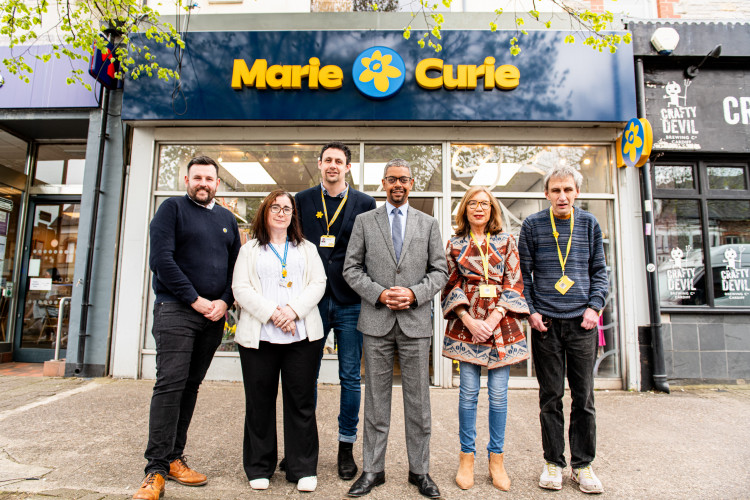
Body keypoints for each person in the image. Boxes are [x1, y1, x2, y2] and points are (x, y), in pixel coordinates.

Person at [134, 155, 241, 500]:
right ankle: (155, 470)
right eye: (197, 178)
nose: (203, 184)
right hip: (177, 310)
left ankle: (175, 457)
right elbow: (161, 261)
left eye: (209, 179)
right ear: (186, 180)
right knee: (170, 385)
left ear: (217, 184)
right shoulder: (171, 210)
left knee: (191, 386)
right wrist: (195, 299)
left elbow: (235, 269)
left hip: (213, 316)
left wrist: (225, 301)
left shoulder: (227, 218)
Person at [343, 158, 448, 499]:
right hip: (376, 322)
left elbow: (440, 272)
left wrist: (415, 294)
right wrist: (380, 293)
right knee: (376, 402)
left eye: (403, 179)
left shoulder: (429, 223)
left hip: (416, 324)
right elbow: (352, 268)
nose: (398, 185)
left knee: (418, 404)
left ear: (412, 183)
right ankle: (373, 470)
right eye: (392, 180)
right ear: (383, 183)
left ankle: (420, 472)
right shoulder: (364, 221)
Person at [517, 165, 608, 494]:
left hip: (582, 323)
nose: (562, 196)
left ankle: (582, 465)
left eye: (568, 190)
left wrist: (594, 307)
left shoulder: (589, 224)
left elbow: (599, 269)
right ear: (546, 194)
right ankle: (553, 462)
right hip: (547, 325)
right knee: (550, 397)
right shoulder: (532, 225)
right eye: (555, 190)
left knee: (583, 398)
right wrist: (531, 311)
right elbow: (523, 276)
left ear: (577, 193)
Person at [231, 189, 327, 493]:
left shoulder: (307, 248)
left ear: (293, 215)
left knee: (301, 403)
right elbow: (240, 288)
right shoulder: (250, 250)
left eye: (287, 208)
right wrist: (273, 313)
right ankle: (259, 466)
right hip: (260, 337)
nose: (281, 212)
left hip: (301, 336)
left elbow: (318, 283)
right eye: (275, 207)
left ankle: (303, 468)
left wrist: (292, 311)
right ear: (265, 211)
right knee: (259, 403)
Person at [294, 142, 376, 480]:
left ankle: (346, 447)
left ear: (347, 167)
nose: (332, 165)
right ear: (319, 163)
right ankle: (304, 448)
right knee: (305, 377)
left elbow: (372, 251)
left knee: (350, 378)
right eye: (327, 160)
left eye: (338, 161)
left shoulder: (365, 203)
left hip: (350, 301)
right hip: (309, 301)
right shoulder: (301, 201)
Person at [441, 186, 530, 492]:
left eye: (485, 204)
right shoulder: (454, 244)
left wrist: (492, 319)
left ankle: (497, 460)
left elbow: (514, 281)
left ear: (492, 210)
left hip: (501, 325)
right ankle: (467, 457)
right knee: (467, 394)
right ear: (464, 209)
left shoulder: (507, 241)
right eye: (473, 204)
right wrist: (468, 319)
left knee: (499, 396)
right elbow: (449, 283)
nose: (479, 208)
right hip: (468, 326)